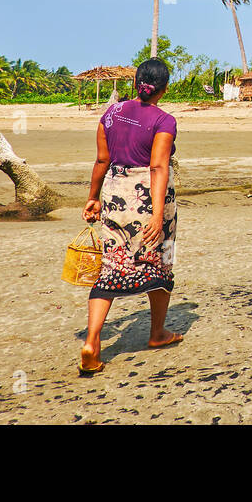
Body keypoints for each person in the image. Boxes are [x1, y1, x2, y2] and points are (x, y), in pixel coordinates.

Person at [79, 57, 182, 374]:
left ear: (136, 84)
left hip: (114, 193)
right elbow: (158, 167)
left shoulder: (111, 113)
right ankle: (157, 333)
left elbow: (101, 160)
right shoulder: (164, 121)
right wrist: (156, 213)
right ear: (163, 89)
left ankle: (92, 342)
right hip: (147, 197)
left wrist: (93, 197)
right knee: (160, 260)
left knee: (109, 267)